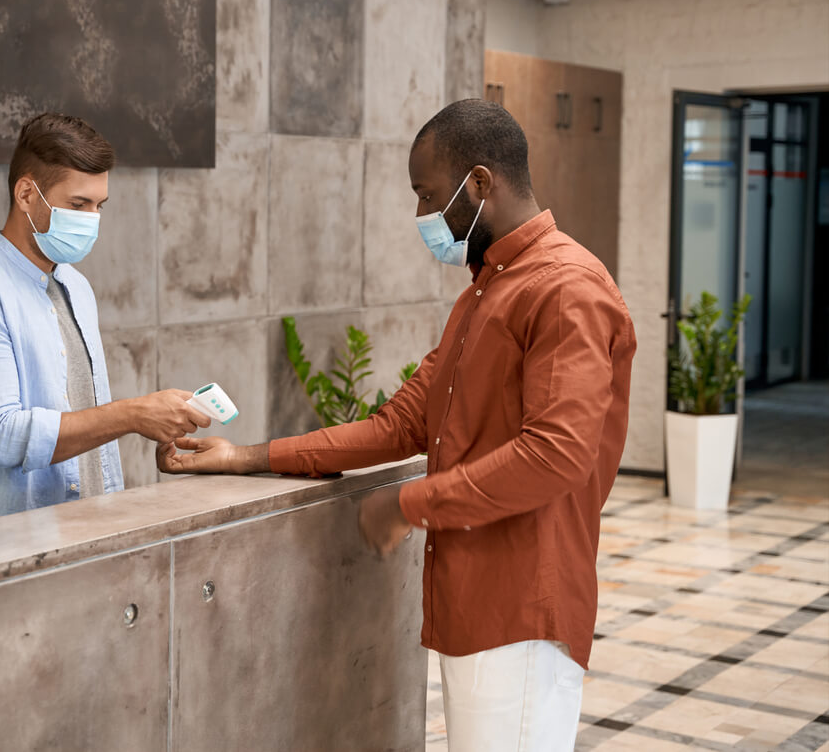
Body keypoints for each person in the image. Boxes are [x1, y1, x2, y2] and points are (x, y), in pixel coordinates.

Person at [157, 99, 635, 751]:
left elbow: (555, 456)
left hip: (523, 604)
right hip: (473, 601)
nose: (421, 216)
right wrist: (242, 456)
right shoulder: (485, 291)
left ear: (480, 183)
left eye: (427, 194)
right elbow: (401, 424)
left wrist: (410, 503)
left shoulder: (566, 289)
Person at [0, 113, 209, 520]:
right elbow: (3, 437)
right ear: (26, 194)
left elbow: (83, 413)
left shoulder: (75, 286)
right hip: (13, 549)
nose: (91, 219)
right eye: (78, 204)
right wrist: (133, 414)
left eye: (98, 206)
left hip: (91, 527)